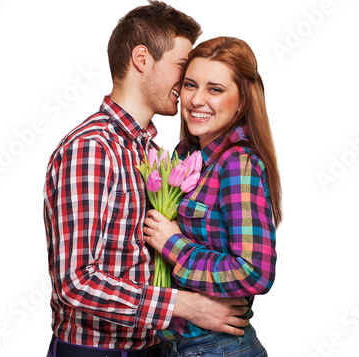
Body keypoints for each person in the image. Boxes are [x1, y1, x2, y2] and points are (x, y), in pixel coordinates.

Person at [43, 3, 249, 357]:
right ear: (142, 58)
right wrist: (183, 305)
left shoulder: (151, 152)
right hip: (96, 352)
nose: (187, 86)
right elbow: (75, 283)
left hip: (152, 347)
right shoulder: (92, 149)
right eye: (182, 67)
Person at [143, 37, 282, 356]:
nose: (196, 99)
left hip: (218, 348)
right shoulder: (186, 155)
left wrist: (174, 246)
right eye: (190, 85)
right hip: (174, 346)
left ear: (243, 100)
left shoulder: (237, 164)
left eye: (215, 89)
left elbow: (255, 272)